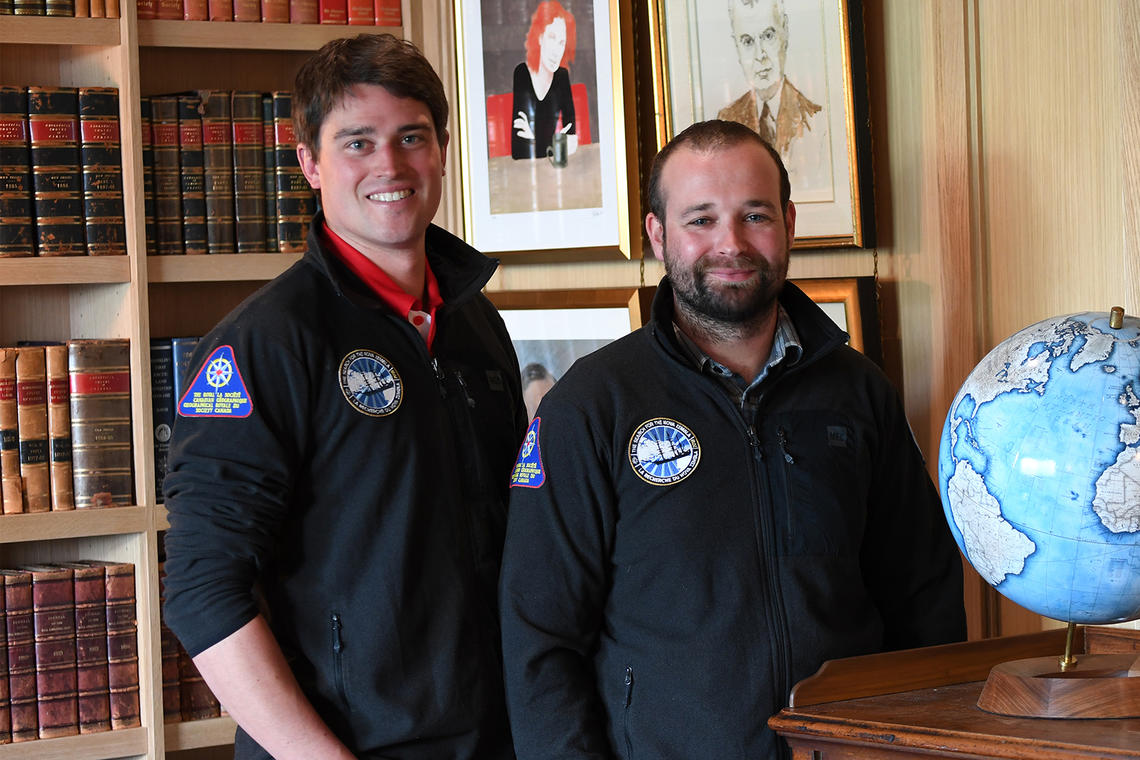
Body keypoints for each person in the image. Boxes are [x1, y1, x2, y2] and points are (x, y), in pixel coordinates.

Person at [498, 119, 966, 759]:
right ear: (658, 235)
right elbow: (540, 639)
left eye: (755, 215)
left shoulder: (860, 394)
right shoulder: (591, 405)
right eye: (701, 220)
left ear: (790, 223)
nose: (731, 243)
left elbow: (924, 603)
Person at [162, 33, 527, 760]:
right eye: (357, 142)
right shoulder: (263, 343)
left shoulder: (477, 326)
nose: (389, 165)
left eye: (410, 137)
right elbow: (202, 589)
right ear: (309, 162)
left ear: (442, 151)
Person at [718, 0, 828, 194]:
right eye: (748, 42)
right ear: (736, 45)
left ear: (784, 32)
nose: (760, 55)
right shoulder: (724, 120)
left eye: (768, 36)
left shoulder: (815, 118)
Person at [511, 0, 578, 160]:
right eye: (551, 37)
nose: (556, 50)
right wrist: (555, 144)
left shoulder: (562, 77)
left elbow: (571, 134)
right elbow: (520, 147)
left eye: (561, 43)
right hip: (525, 172)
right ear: (540, 37)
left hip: (555, 172)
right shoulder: (521, 73)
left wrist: (535, 139)